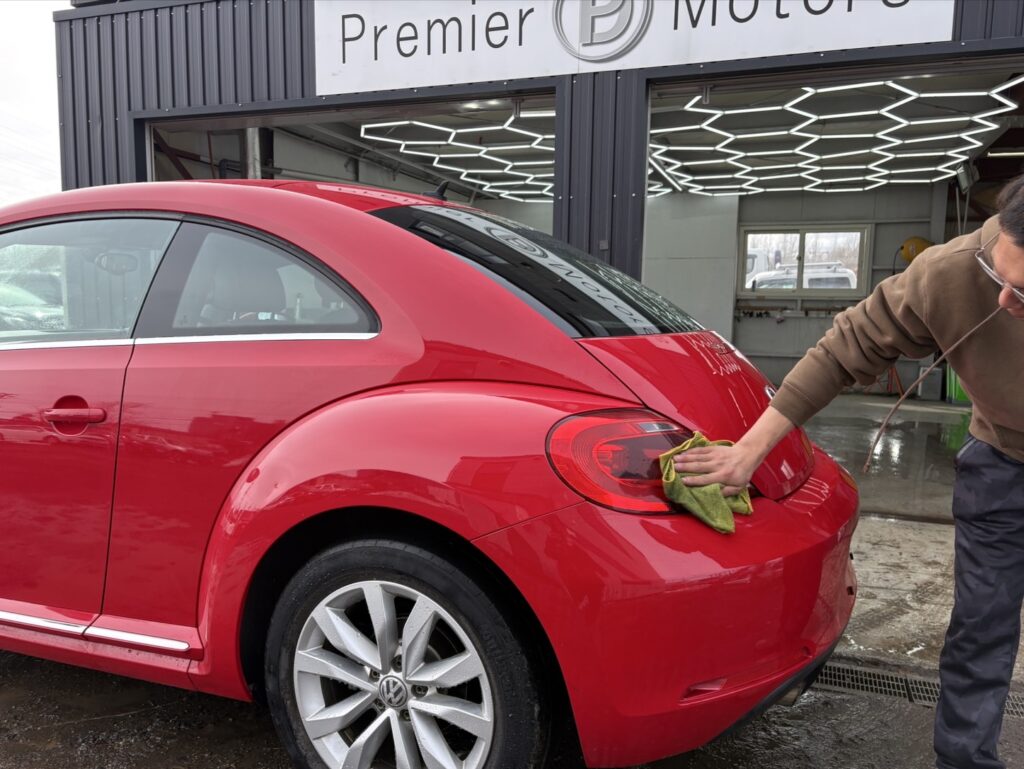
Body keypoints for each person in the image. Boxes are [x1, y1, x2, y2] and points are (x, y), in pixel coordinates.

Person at [676, 175, 1024, 769]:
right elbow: (843, 349)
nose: (1005, 304)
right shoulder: (950, 272)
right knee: (981, 629)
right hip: (1000, 464)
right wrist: (748, 451)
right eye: (1001, 279)